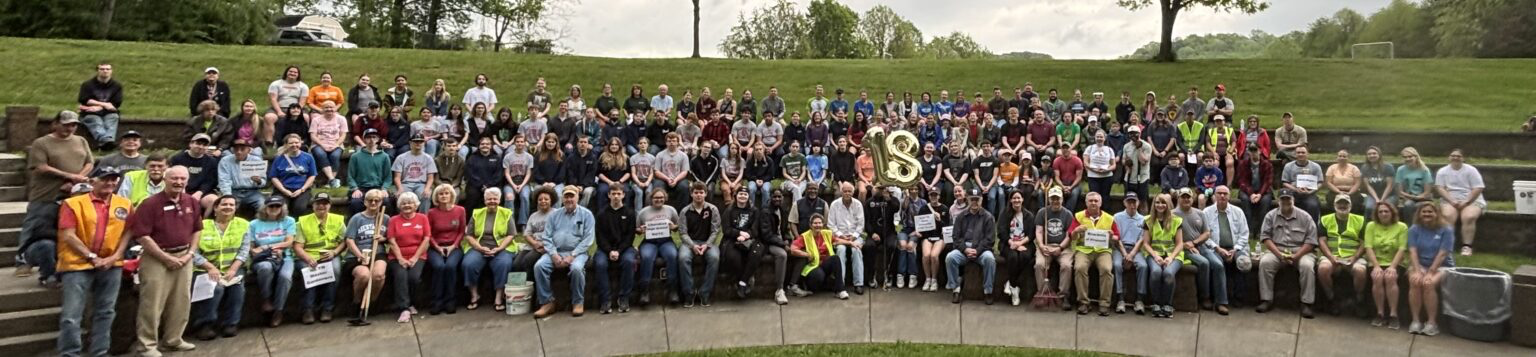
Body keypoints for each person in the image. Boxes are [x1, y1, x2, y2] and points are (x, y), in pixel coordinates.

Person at [55, 167, 130, 357]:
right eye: (105, 179)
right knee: (71, 316)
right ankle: (70, 353)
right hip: (76, 264)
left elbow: (129, 232)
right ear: (92, 181)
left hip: (111, 264)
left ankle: (100, 352)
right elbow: (67, 235)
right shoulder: (72, 203)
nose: (110, 183)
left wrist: (115, 257)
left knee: (106, 311)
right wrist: (91, 257)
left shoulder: (125, 204)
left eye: (114, 180)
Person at [128, 166, 200, 356]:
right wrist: (165, 257)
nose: (178, 182)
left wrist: (190, 254)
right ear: (165, 180)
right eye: (174, 178)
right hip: (156, 258)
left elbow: (197, 229)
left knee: (181, 302)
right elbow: (142, 235)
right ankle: (147, 345)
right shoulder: (149, 204)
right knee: (152, 303)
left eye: (182, 179)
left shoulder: (191, 201)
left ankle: (173, 339)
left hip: (184, 257)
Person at [17, 112, 94, 278]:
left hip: (74, 193)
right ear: (55, 124)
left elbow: (89, 162)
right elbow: (40, 167)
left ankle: (60, 262)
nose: (70, 128)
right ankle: (23, 260)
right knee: (33, 225)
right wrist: (69, 176)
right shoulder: (42, 143)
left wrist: (76, 179)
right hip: (46, 194)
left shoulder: (80, 141)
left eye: (73, 125)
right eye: (66, 124)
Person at [189, 195, 251, 340]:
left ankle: (231, 324)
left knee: (237, 288)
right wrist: (210, 267)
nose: (228, 207)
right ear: (215, 208)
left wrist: (233, 269)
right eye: (224, 204)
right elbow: (193, 252)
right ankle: (205, 325)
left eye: (231, 204)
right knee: (215, 289)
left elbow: (244, 250)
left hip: (233, 267)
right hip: (204, 268)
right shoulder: (202, 225)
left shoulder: (243, 224)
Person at [534, 186, 597, 317]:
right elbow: (546, 237)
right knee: (539, 266)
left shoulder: (587, 215)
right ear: (562, 198)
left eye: (571, 196)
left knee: (576, 269)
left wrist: (572, 256)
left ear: (578, 197)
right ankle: (547, 302)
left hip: (578, 253)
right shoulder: (554, 215)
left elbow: (588, 240)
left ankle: (578, 302)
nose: (569, 199)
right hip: (556, 252)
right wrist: (553, 254)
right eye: (566, 196)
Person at [1257, 189, 1320, 318]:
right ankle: (1266, 299)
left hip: (1301, 251)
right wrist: (1280, 255)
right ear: (1278, 201)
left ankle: (1306, 303)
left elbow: (1311, 241)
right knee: (1265, 263)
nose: (1286, 202)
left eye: (1288, 199)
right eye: (1283, 199)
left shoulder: (1305, 217)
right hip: (1277, 250)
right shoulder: (1270, 216)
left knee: (1307, 266)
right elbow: (1265, 238)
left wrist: (1296, 256)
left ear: (1293, 200)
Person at [461, 188, 518, 311]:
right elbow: (469, 235)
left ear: (499, 200)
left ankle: (498, 297)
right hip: (479, 247)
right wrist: (479, 247)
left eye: (495, 199)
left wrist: (499, 248)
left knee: (503, 264)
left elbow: (511, 234)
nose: (492, 201)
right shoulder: (477, 213)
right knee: (468, 264)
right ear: (484, 200)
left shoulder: (507, 213)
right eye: (489, 199)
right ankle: (474, 295)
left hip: (502, 247)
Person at [294, 193, 346, 324]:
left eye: (325, 203)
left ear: (330, 205)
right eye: (318, 203)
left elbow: (345, 241)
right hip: (308, 256)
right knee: (308, 272)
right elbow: (297, 246)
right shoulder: (302, 221)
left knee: (335, 270)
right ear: (313, 206)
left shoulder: (338, 220)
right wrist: (308, 258)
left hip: (330, 254)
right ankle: (308, 309)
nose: (321, 206)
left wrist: (334, 252)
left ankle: (327, 308)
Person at [1406, 202, 1455, 336]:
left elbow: (1443, 253)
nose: (1427, 214)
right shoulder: (1414, 229)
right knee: (1415, 281)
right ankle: (1416, 321)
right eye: (1424, 212)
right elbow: (1412, 251)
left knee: (1429, 283)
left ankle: (1432, 323)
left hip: (1442, 265)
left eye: (1430, 212)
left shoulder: (1446, 230)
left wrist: (1431, 272)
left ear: (1437, 213)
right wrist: (1417, 270)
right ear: (1419, 214)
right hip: (1420, 264)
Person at [248, 197, 297, 328]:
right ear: (265, 208)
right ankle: (266, 299)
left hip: (285, 256)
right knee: (265, 268)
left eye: (277, 206)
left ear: (282, 208)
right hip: (263, 259)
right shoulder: (254, 224)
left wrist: (268, 247)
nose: (274, 209)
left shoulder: (289, 221)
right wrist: (264, 251)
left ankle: (278, 310)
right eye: (271, 206)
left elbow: (289, 242)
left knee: (285, 277)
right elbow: (251, 247)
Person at [1316, 195, 1368, 316]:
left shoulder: (1360, 220)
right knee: (1323, 269)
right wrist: (1330, 257)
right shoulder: (1325, 219)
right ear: (1334, 205)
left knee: (1360, 270)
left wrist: (1354, 258)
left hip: (1354, 256)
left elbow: (1364, 243)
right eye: (1340, 203)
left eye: (1345, 204)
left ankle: (1359, 299)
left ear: (1350, 206)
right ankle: (1331, 298)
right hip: (1332, 255)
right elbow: (1321, 241)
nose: (1342, 206)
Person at [1069, 192, 1119, 316]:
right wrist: (1076, 230)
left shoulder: (1109, 218)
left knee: (1106, 269)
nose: (1093, 203)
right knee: (1079, 267)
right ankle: (1083, 302)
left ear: (1100, 203)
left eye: (1096, 201)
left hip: (1103, 251)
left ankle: (1104, 304)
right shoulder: (1079, 216)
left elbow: (1118, 237)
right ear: (1086, 203)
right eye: (1090, 201)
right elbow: (1071, 236)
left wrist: (1112, 236)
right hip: (1084, 250)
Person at [946, 189, 999, 304]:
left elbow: (990, 239)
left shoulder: (988, 217)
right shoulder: (960, 216)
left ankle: (988, 291)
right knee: (950, 258)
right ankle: (956, 289)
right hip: (964, 249)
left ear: (981, 200)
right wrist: (965, 249)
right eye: (972, 199)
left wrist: (978, 250)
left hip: (981, 250)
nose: (974, 202)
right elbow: (956, 237)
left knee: (990, 259)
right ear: (968, 200)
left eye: (977, 199)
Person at [345, 189, 391, 318]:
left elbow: (390, 238)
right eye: (370, 200)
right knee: (363, 275)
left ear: (381, 202)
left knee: (378, 275)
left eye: (377, 200)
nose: (373, 203)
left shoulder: (385, 218)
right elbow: (349, 240)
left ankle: (371, 302)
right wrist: (359, 255)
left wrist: (384, 239)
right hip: (357, 254)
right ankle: (357, 302)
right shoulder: (357, 218)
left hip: (378, 252)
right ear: (365, 202)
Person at [1139, 193, 1185, 318]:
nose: (1160, 205)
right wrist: (1155, 256)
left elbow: (1180, 244)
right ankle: (1156, 303)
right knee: (1155, 272)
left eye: (1163, 202)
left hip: (1173, 254)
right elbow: (1146, 243)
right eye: (1157, 202)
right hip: (1154, 254)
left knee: (1168, 273)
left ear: (1168, 205)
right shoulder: (1148, 220)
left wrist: (1171, 258)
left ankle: (1168, 304)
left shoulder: (1177, 220)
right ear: (1153, 204)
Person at [1203, 186, 1249, 310]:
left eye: (1225, 194)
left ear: (1229, 196)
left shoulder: (1238, 211)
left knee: (1243, 263)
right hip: (1215, 248)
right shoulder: (1206, 212)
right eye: (1219, 193)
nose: (1222, 196)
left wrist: (1235, 249)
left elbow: (1244, 234)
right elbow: (1205, 236)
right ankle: (1220, 301)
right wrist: (1218, 249)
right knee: (1218, 264)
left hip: (1236, 247)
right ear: (1214, 196)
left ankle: (1239, 297)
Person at [634, 189, 684, 305]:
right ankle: (644, 290)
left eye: (661, 197)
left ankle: (673, 290)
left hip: (666, 241)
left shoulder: (671, 210)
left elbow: (678, 226)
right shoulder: (643, 212)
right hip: (649, 241)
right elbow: (636, 230)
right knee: (646, 257)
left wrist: (673, 227)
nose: (659, 200)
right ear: (651, 199)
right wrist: (640, 230)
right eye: (656, 198)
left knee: (672, 255)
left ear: (665, 198)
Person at [676, 183, 722, 307]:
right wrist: (693, 246)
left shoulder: (713, 209)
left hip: (708, 242)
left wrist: (707, 245)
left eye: (701, 192)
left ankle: (705, 293)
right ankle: (689, 293)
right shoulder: (685, 211)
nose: (698, 195)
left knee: (714, 258)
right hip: (690, 243)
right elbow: (682, 233)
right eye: (696, 192)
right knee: (683, 258)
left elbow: (715, 230)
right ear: (691, 194)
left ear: (706, 194)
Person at [1363, 202, 1407, 329]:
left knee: (1390, 277)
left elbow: (1402, 248)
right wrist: (1376, 266)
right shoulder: (1371, 226)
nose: (1383, 214)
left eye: (1386, 211)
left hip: (1395, 262)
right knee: (1377, 277)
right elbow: (1368, 247)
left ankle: (1393, 314)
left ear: (1392, 212)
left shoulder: (1401, 227)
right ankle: (1380, 313)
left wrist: (1392, 267)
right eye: (1380, 212)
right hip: (1376, 261)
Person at [387, 192, 430, 323]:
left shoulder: (422, 218)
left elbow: (426, 238)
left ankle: (412, 303)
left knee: (414, 277)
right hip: (397, 256)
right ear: (399, 206)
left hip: (418, 255)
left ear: (416, 205)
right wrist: (400, 259)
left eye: (410, 203)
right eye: (404, 203)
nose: (407, 205)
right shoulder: (393, 220)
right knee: (401, 275)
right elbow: (391, 240)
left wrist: (415, 258)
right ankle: (404, 308)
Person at [594, 185, 638, 313]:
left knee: (629, 261)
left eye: (619, 194)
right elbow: (600, 237)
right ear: (609, 195)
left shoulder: (629, 213)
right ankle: (605, 300)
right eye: (613, 194)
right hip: (605, 249)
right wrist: (609, 251)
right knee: (600, 263)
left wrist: (618, 251)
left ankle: (624, 298)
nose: (616, 196)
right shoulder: (601, 214)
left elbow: (630, 237)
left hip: (624, 249)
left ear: (623, 195)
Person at [787, 214, 850, 300]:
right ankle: (808, 286)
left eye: (820, 223)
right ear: (810, 225)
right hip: (812, 267)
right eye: (815, 223)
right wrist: (807, 254)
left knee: (835, 258)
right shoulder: (805, 236)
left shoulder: (826, 233)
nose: (818, 225)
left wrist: (851, 243)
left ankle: (840, 291)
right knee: (819, 275)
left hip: (823, 265)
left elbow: (837, 240)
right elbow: (793, 249)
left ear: (823, 224)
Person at [426, 184, 466, 315]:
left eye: (446, 193)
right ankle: (436, 302)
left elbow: (461, 232)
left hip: (454, 247)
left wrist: (453, 246)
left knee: (450, 266)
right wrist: (437, 247)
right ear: (436, 196)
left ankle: (451, 301)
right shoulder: (431, 213)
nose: (444, 196)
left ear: (452, 195)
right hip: (435, 247)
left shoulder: (460, 210)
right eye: (441, 194)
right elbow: (428, 234)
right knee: (439, 267)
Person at [1434, 149, 1484, 256]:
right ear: (1449, 157)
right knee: (1447, 215)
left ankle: (1467, 246)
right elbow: (1440, 188)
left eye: (1458, 156)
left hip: (1471, 199)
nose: (1455, 158)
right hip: (1449, 199)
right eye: (1453, 155)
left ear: (1463, 158)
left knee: (1468, 216)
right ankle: (1448, 246)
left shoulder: (1471, 170)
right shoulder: (1442, 171)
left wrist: (1466, 202)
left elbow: (1478, 188)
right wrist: (1452, 201)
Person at [826, 182, 868, 295]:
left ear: (853, 192)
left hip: (856, 236)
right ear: (841, 192)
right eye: (845, 191)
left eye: (849, 191)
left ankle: (858, 284)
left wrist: (853, 236)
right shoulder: (835, 204)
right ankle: (841, 283)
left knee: (856, 250)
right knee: (841, 250)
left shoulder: (858, 204)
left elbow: (861, 225)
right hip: (840, 236)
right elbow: (831, 224)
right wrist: (841, 235)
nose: (847, 193)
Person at [1034, 187, 1075, 304]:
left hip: (1063, 248)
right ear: (1049, 199)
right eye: (1053, 199)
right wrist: (1041, 246)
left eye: (1058, 199)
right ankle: (1042, 294)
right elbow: (1039, 231)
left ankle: (1063, 295)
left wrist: (1060, 248)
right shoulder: (1042, 212)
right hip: (1046, 246)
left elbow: (1069, 236)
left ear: (1062, 199)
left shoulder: (1068, 214)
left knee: (1066, 266)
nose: (1055, 201)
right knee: (1039, 265)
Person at [996, 191, 1036, 306]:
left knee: (1025, 256)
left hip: (1025, 243)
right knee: (1013, 257)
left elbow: (1031, 234)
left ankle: (1011, 283)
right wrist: (1011, 243)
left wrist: (1020, 243)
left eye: (1018, 198)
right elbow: (1001, 232)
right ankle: (1015, 290)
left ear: (1022, 199)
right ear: (1010, 200)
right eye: (1014, 198)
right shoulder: (1005, 213)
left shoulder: (1028, 215)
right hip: (1008, 243)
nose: (1016, 200)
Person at [1111, 193, 1149, 314]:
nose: (1132, 205)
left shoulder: (1144, 219)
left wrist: (1131, 254)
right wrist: (1124, 254)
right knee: (1117, 265)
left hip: (1135, 249)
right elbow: (1116, 238)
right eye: (1129, 202)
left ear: (1138, 203)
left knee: (1143, 266)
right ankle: (1120, 298)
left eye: (1134, 202)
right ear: (1124, 203)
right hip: (1119, 248)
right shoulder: (1117, 217)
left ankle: (1140, 299)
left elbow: (1142, 239)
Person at [78, 62, 124, 149]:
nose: (105, 71)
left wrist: (98, 106)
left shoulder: (117, 86)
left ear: (111, 71)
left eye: (107, 69)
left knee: (112, 119)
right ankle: (107, 141)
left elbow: (116, 103)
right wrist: (104, 105)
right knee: (96, 121)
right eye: (102, 69)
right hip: (90, 113)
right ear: (97, 71)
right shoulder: (87, 85)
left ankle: (105, 142)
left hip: (109, 113)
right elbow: (84, 99)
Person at [171, 134, 222, 213]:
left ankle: (205, 223)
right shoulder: (177, 158)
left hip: (202, 192)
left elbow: (211, 181)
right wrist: (182, 191)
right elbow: (173, 177)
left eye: (204, 145)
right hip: (181, 189)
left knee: (214, 201)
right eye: (198, 143)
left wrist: (200, 192)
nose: (201, 146)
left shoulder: (212, 162)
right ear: (191, 144)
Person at [348, 129, 395, 214]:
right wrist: (355, 189)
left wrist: (384, 188)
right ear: (364, 139)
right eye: (368, 137)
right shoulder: (355, 156)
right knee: (355, 203)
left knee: (386, 202)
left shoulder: (385, 157)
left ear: (377, 139)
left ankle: (384, 225)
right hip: (361, 188)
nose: (371, 139)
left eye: (374, 137)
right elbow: (350, 176)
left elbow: (388, 177)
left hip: (378, 188)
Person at [271, 134, 319, 215]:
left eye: (297, 142)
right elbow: (273, 177)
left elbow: (312, 175)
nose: (294, 145)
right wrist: (284, 190)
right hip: (283, 189)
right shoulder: (279, 159)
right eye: (291, 143)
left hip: (302, 189)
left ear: (300, 143)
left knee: (299, 208)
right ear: (286, 145)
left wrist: (302, 189)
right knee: (281, 207)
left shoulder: (308, 157)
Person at [307, 102, 348, 188]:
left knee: (335, 156)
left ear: (335, 108)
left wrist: (336, 144)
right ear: (322, 109)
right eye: (326, 107)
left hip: (336, 143)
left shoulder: (341, 119)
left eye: (331, 107)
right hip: (318, 143)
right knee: (320, 154)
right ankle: (332, 180)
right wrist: (322, 145)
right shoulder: (316, 119)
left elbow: (343, 134)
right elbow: (313, 135)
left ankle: (330, 182)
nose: (329, 109)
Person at [1234, 146, 1273, 235]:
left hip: (1263, 191)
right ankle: (1249, 230)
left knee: (1265, 201)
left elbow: (1267, 182)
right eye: (1250, 150)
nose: (1253, 152)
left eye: (1255, 150)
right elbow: (1242, 181)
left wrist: (1259, 194)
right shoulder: (1243, 164)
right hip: (1247, 191)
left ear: (1260, 151)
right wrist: (1251, 194)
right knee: (1245, 200)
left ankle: (1261, 231)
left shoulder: (1267, 164)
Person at [395, 134, 440, 210]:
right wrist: (399, 188)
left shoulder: (428, 158)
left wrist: (427, 189)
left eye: (420, 141)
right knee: (401, 196)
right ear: (410, 143)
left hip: (421, 184)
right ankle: (402, 219)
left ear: (424, 143)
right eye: (415, 141)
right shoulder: (401, 157)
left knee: (426, 195)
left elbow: (431, 178)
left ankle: (423, 218)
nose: (418, 143)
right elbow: (397, 177)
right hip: (406, 183)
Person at [266, 66, 308, 146]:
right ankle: (269, 142)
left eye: (295, 72)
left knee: (306, 117)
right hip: (279, 107)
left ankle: (304, 141)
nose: (292, 73)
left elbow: (302, 101)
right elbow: (273, 99)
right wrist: (279, 111)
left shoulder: (303, 86)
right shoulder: (276, 84)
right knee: (269, 117)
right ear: (286, 72)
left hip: (296, 108)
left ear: (298, 75)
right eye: (290, 71)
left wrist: (296, 111)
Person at [1281, 146, 1324, 220]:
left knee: (1313, 205)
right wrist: (1295, 189)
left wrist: (1310, 192)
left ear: (1308, 154)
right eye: (1298, 152)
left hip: (1309, 194)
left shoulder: (1316, 166)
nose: (1300, 154)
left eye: (1303, 152)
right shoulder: (1288, 166)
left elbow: (1320, 183)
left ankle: (1313, 228)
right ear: (1295, 154)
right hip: (1293, 193)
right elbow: (1285, 182)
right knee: (1286, 204)